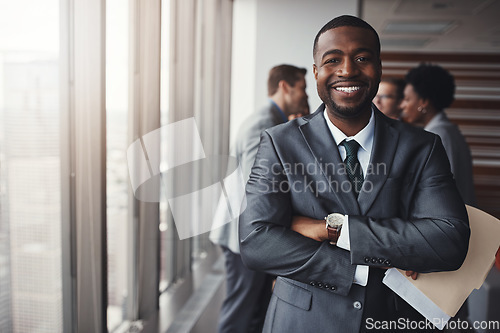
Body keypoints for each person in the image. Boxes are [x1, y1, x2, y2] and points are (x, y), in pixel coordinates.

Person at [239, 15, 470, 333]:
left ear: (379, 67)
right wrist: (365, 267)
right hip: (303, 321)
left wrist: (333, 230)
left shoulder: (423, 146)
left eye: (362, 58)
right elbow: (256, 242)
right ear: (317, 72)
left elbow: (448, 241)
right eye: (333, 59)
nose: (348, 70)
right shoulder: (280, 143)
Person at [210, 64, 309, 333]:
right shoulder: (264, 123)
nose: (306, 94)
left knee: (256, 309)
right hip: (245, 236)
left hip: (254, 235)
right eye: (302, 87)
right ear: (285, 87)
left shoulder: (273, 121)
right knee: (241, 311)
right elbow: (260, 187)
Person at [400, 63, 476, 206]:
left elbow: (439, 189)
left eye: (407, 99)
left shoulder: (438, 135)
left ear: (423, 102)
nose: (402, 105)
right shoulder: (446, 130)